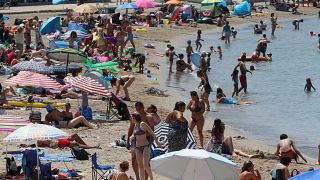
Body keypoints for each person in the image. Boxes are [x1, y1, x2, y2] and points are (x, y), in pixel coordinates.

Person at [127, 102, 154, 180]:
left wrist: (150, 143)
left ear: (143, 108)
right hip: (135, 140)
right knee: (134, 160)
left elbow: (152, 131)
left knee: (146, 162)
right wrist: (127, 141)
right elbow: (131, 128)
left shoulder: (148, 117)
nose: (138, 110)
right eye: (137, 109)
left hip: (146, 141)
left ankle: (145, 178)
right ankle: (138, 177)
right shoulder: (134, 116)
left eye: (139, 109)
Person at [130, 114, 161, 180]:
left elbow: (152, 133)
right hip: (137, 147)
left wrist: (157, 142)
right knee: (140, 166)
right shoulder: (136, 125)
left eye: (132, 118)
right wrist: (132, 137)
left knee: (146, 164)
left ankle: (152, 178)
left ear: (135, 118)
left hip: (145, 146)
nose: (131, 119)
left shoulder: (142, 124)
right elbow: (133, 135)